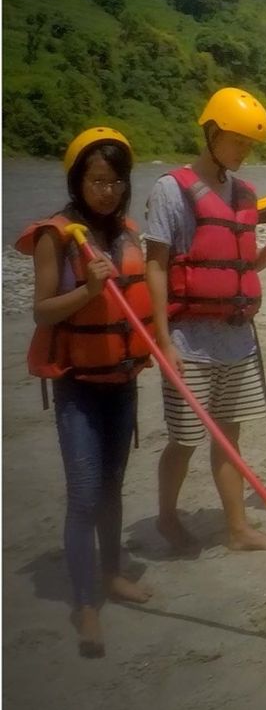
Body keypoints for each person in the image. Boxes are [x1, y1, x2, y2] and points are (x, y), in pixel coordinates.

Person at [23, 128, 157, 656]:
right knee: (83, 495)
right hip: (79, 386)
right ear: (78, 181)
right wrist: (88, 290)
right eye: (97, 180)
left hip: (121, 379)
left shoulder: (126, 232)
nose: (107, 190)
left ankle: (112, 573)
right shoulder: (57, 236)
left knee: (112, 487)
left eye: (116, 181)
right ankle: (84, 604)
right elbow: (41, 311)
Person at [143, 88, 266, 554]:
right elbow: (157, 265)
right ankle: (167, 518)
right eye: (237, 142)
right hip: (189, 341)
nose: (243, 152)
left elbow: (243, 268)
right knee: (184, 439)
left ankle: (238, 528)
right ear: (211, 133)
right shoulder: (172, 189)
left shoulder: (243, 193)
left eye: (249, 145)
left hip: (236, 339)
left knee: (229, 437)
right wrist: (162, 342)